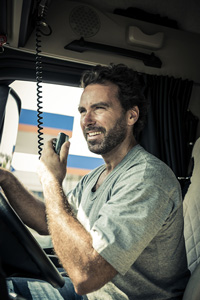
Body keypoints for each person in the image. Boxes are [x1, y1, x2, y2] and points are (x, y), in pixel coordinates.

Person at [2, 64, 189, 299]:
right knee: (8, 287)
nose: (86, 120)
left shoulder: (146, 178)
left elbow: (85, 275)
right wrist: (5, 178)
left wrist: (51, 181)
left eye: (99, 108)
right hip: (92, 295)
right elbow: (49, 219)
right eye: (82, 110)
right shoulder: (96, 176)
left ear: (131, 115)